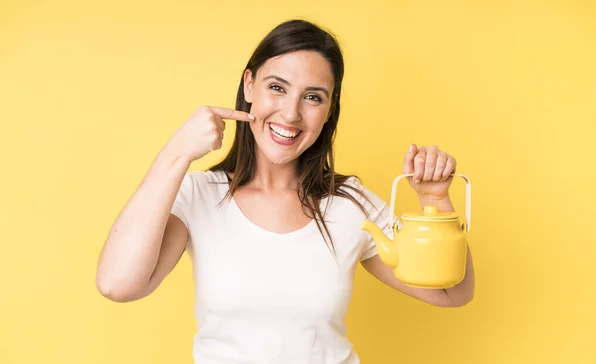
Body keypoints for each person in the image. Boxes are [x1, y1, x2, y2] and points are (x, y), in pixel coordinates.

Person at [96, 19, 474, 364]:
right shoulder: (200, 195)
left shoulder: (349, 204)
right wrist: (176, 152)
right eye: (277, 87)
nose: (291, 114)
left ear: (329, 109)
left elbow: (452, 293)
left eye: (313, 97)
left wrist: (435, 201)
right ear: (249, 86)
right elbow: (117, 284)